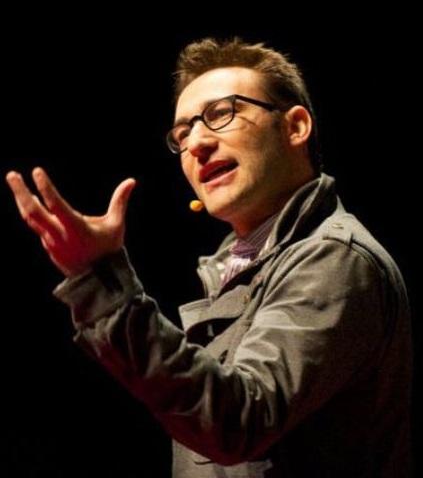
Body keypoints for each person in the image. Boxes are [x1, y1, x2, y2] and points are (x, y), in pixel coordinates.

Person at [6, 37, 412, 477]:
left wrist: (102, 285)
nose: (197, 142)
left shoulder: (333, 259)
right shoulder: (237, 266)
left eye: (221, 114)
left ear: (295, 126)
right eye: (182, 134)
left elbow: (237, 422)